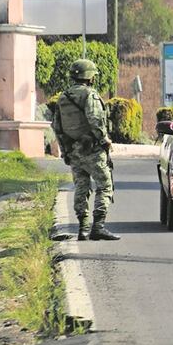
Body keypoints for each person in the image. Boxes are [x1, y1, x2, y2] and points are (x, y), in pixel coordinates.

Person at [52, 59, 119, 241]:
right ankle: (98, 227)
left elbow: (57, 127)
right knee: (105, 186)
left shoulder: (63, 97)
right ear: (89, 77)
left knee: (81, 188)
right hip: (92, 150)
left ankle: (82, 228)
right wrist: (105, 140)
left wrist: (65, 151)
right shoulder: (90, 95)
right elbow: (96, 120)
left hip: (73, 151)